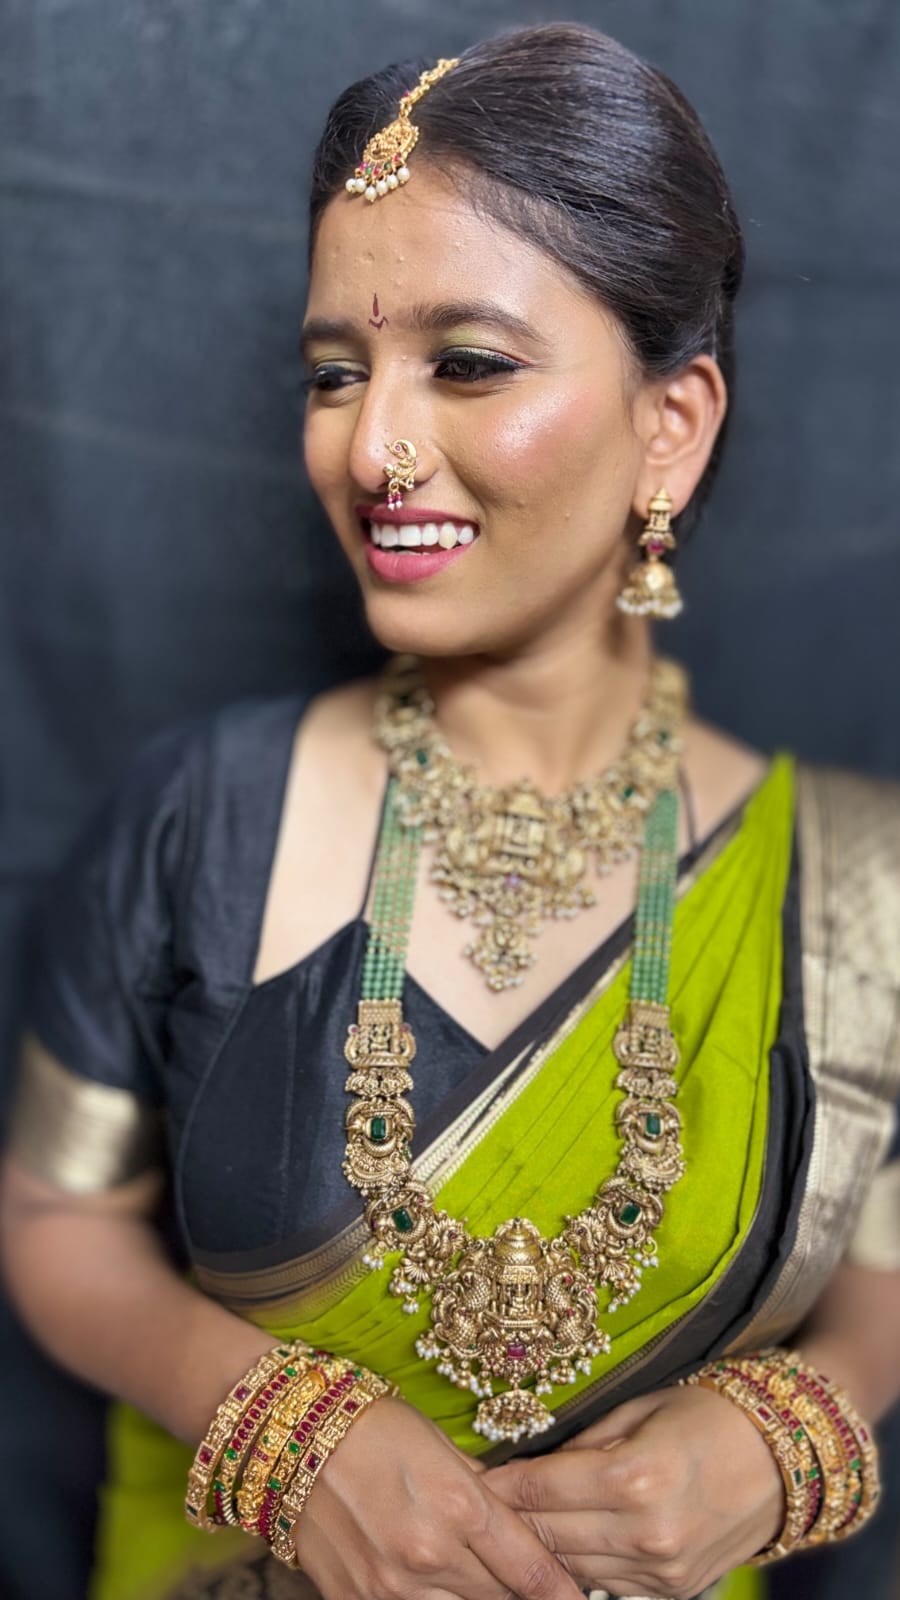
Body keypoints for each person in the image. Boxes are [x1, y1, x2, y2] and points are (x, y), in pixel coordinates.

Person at [2, 23, 899, 1600]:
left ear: (671, 425)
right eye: (336, 374)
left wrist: (787, 1428)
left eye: (468, 363)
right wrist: (281, 1427)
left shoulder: (851, 879)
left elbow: (880, 1269)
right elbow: (50, 1217)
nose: (373, 447)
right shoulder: (205, 817)